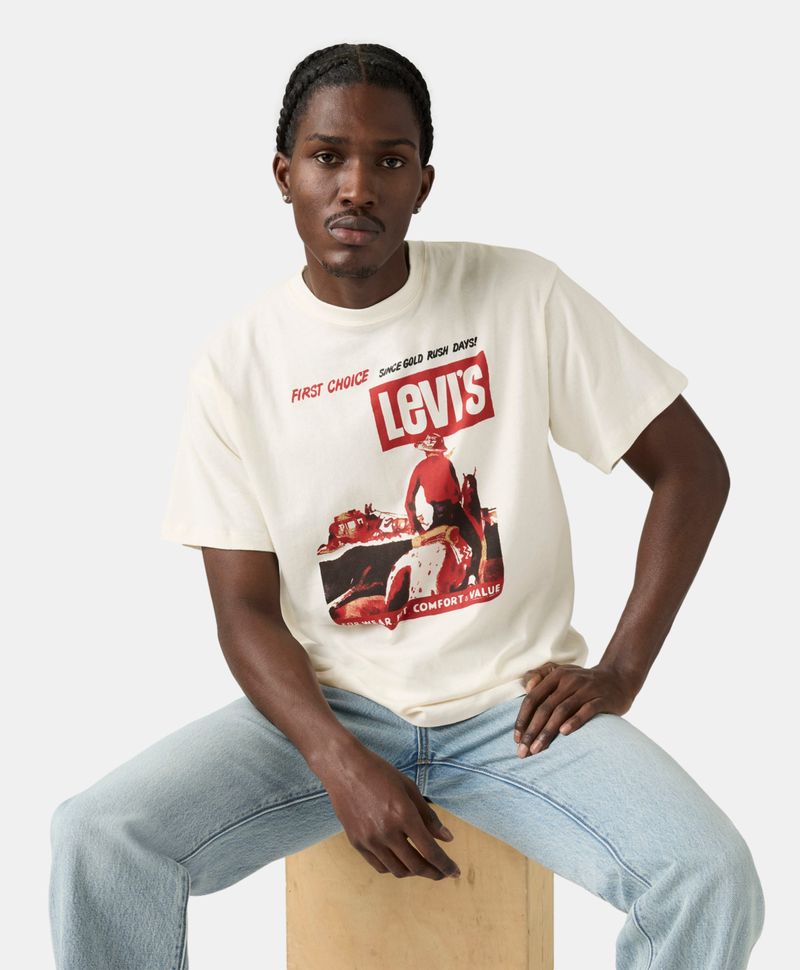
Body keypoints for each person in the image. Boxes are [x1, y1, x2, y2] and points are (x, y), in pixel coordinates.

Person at [48, 42, 765, 970]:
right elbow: (243, 613)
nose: (357, 186)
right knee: (100, 839)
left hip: (517, 716)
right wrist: (338, 761)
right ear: (284, 175)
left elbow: (692, 470)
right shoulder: (238, 364)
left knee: (707, 875)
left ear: (423, 183)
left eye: (389, 160)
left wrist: (621, 671)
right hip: (329, 712)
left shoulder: (521, 295)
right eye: (328, 156)